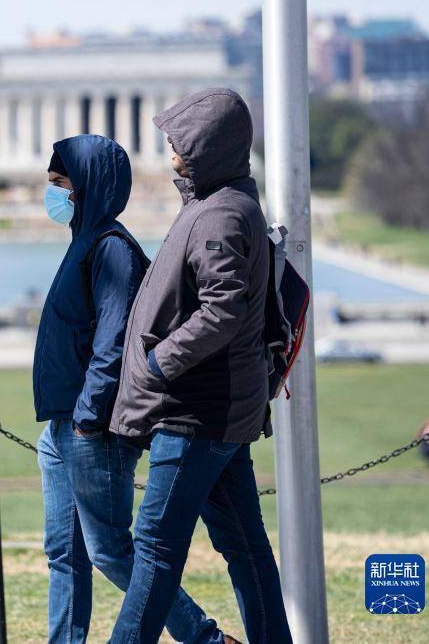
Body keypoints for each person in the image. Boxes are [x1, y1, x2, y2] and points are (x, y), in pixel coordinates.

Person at [33, 134, 235, 643]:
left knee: (111, 551)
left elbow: (114, 342)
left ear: (87, 188)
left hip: (92, 430)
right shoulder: (83, 242)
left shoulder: (111, 251)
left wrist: (85, 418)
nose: (53, 195)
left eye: (61, 185)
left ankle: (205, 639)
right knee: (65, 553)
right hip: (62, 427)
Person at [109, 89, 292, 643]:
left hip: (196, 413)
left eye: (178, 145)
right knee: (246, 551)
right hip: (221, 411)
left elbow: (223, 310)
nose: (170, 156)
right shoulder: (222, 203)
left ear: (207, 148)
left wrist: (161, 363)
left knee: (156, 551)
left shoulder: (220, 215)